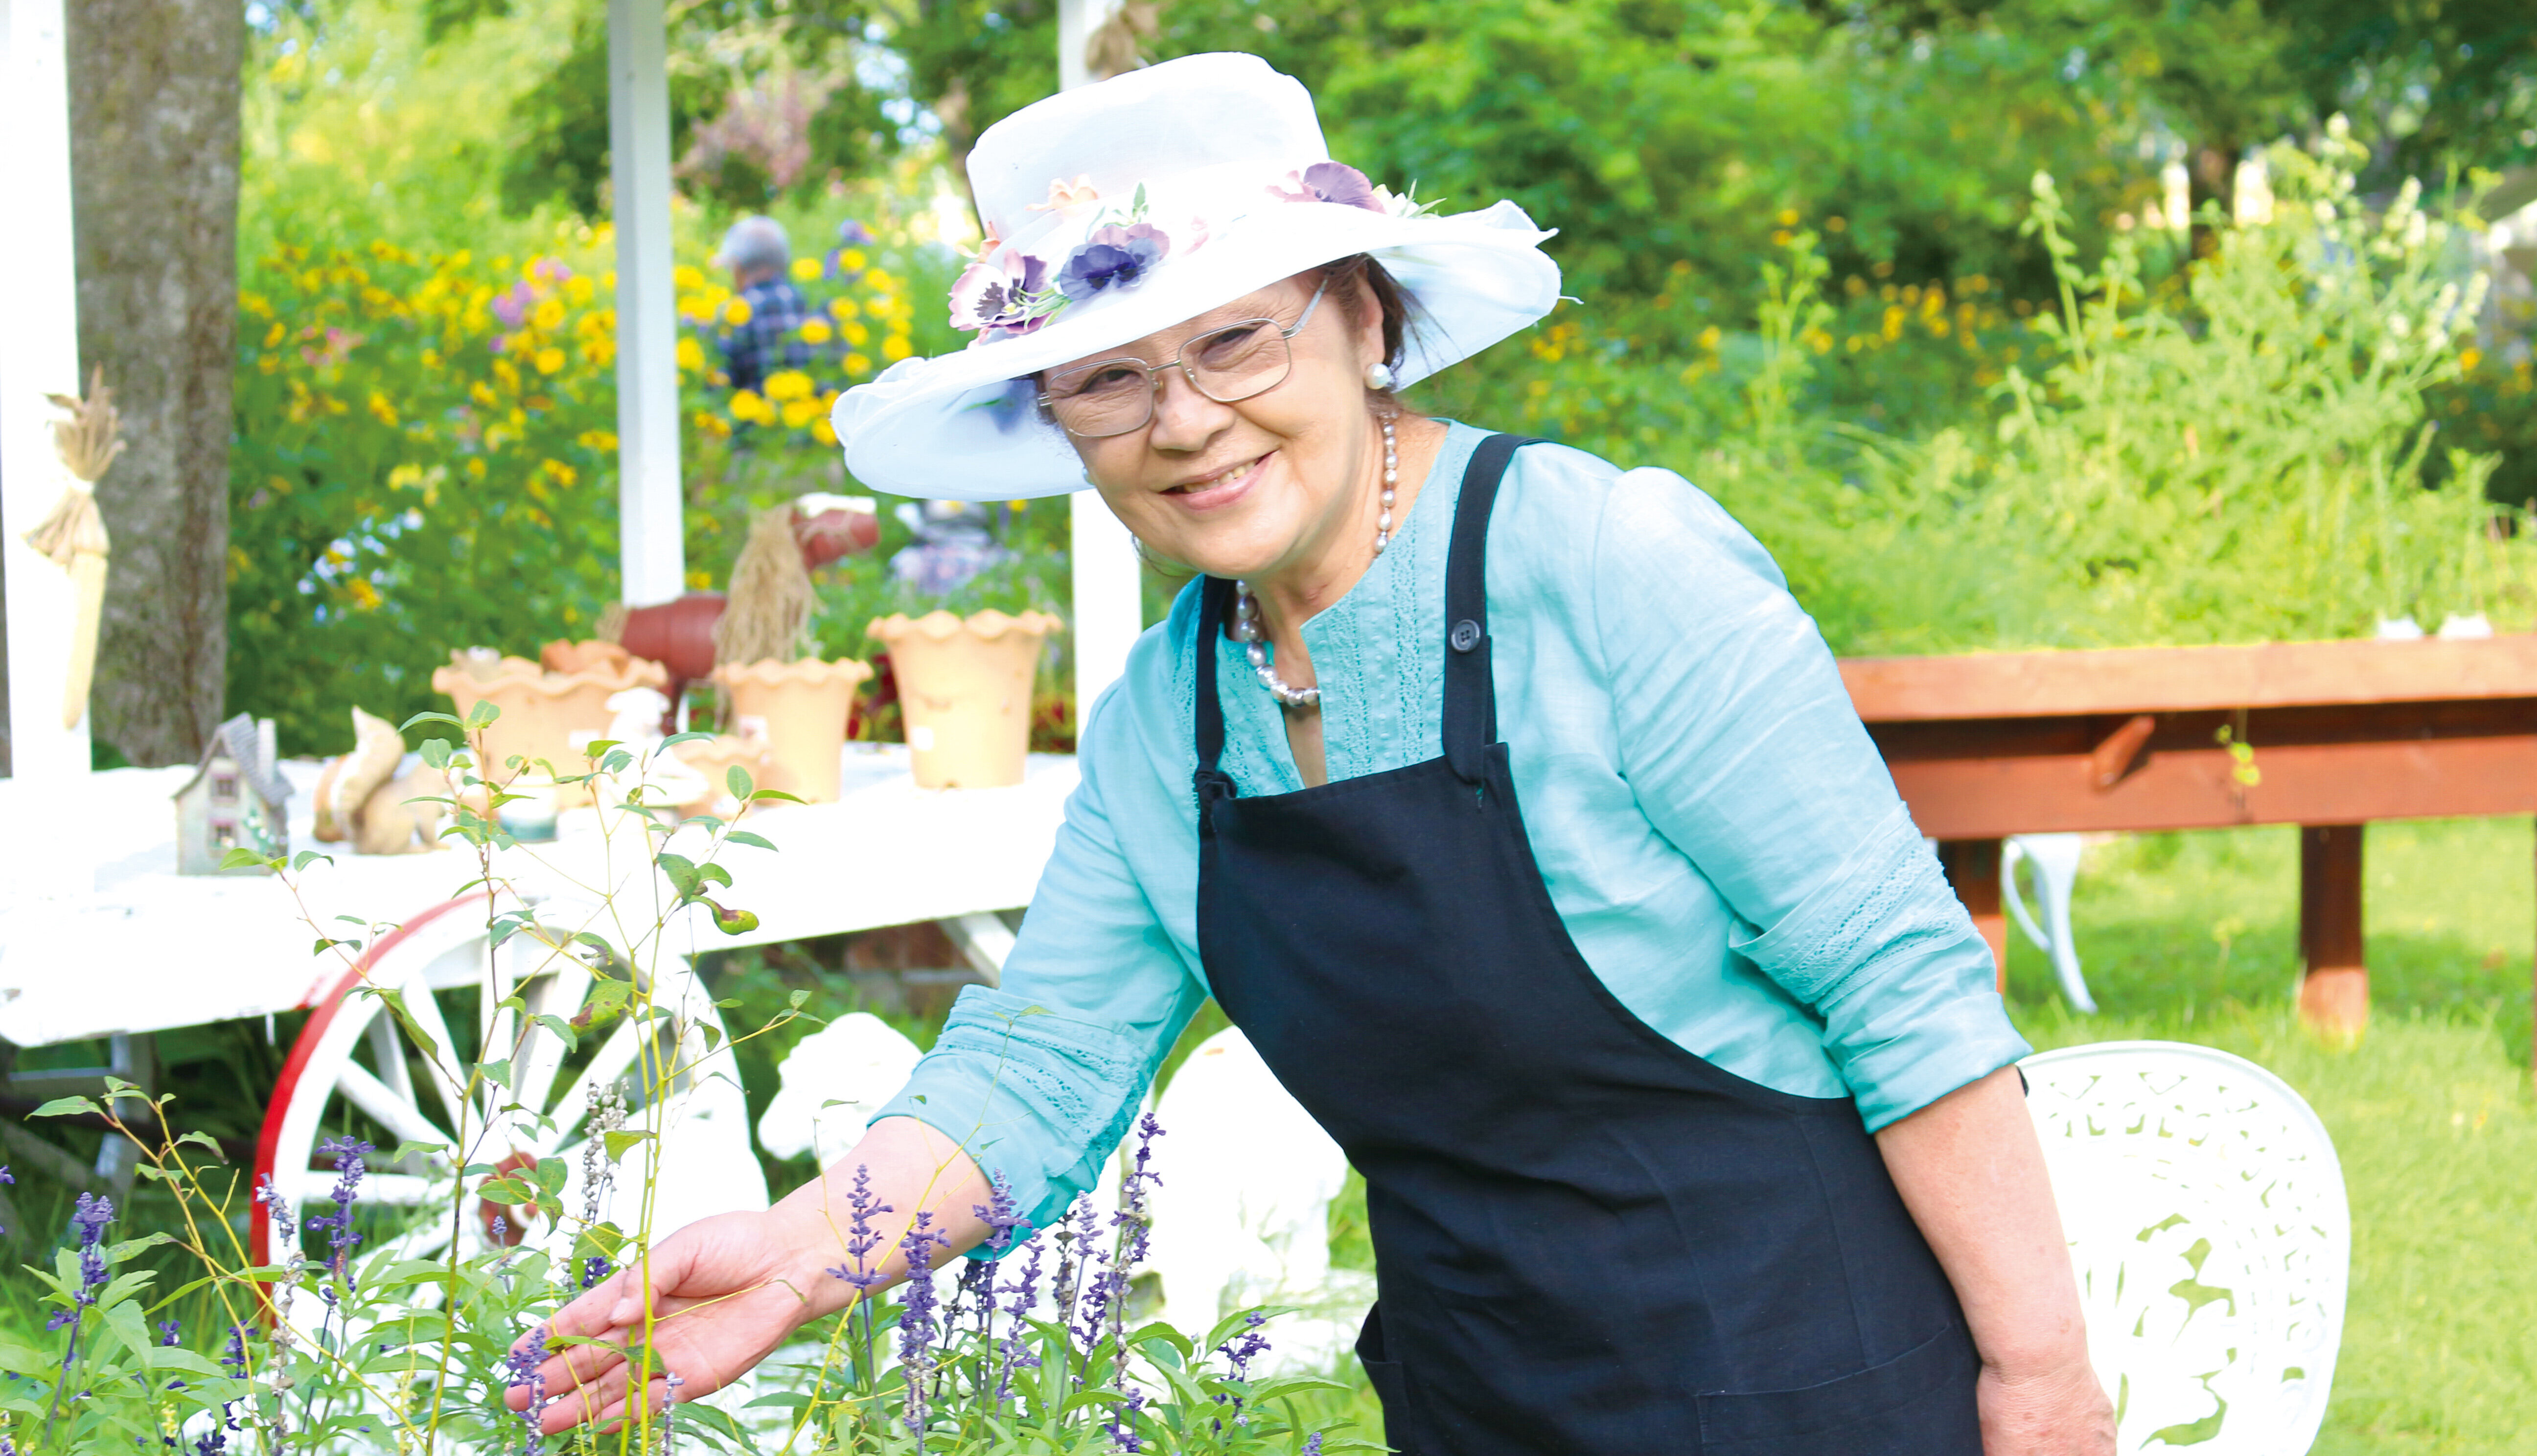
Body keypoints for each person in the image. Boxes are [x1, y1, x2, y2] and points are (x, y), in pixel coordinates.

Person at [515, 53, 2116, 1455]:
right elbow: (1038, 1062)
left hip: (1810, 1388)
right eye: (1110, 377)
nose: (1186, 421)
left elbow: (1898, 983)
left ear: (1362, 318)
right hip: (1484, 1403)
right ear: (1053, 416)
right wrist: (802, 1255)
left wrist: (2045, 1383)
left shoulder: (1607, 567)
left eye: (1235, 342)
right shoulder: (1168, 720)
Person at [711, 215, 811, 397]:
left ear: (738, 266)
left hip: (753, 421)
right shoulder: (809, 301)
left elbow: (719, 386)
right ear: (783, 262)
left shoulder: (734, 314)